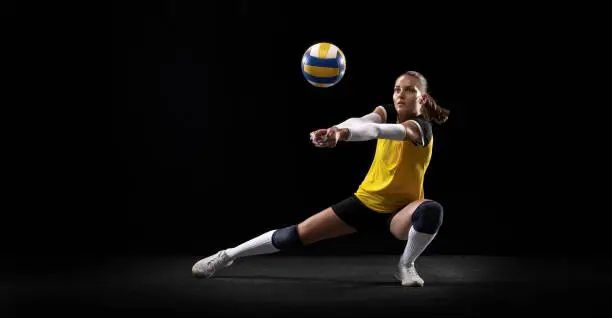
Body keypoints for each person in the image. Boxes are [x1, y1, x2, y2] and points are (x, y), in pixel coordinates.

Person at [192, 71, 450, 287]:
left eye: (409, 90)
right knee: (293, 236)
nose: (400, 95)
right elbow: (361, 121)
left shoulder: (420, 128)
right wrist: (336, 131)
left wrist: (345, 133)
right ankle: (227, 255)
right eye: (397, 89)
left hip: (403, 211)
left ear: (422, 97)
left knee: (431, 210)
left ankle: (406, 266)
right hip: (366, 202)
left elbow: (374, 131)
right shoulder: (385, 110)